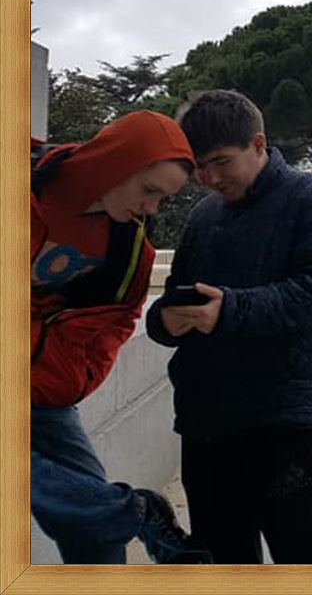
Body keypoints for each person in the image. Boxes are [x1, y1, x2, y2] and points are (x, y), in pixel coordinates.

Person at [146, 90, 312, 564]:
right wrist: (164, 322)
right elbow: (179, 295)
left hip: (282, 417)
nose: (210, 178)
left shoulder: (310, 199)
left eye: (222, 162)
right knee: (223, 557)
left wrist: (232, 310)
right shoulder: (203, 216)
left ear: (258, 144)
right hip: (206, 419)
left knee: (299, 555)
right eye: (200, 168)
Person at [30, 111, 210, 565]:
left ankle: (123, 519)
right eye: (149, 190)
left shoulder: (129, 250)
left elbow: (121, 320)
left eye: (162, 198)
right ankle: (133, 512)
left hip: (46, 393)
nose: (152, 208)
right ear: (112, 164)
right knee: (96, 510)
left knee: (95, 534)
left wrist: (78, 375)